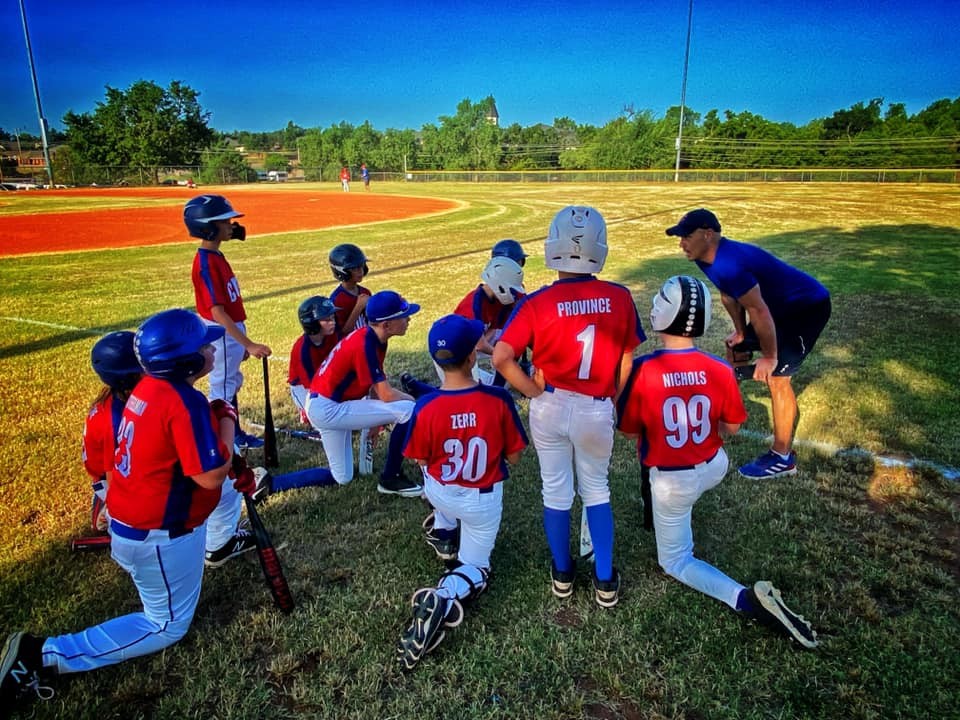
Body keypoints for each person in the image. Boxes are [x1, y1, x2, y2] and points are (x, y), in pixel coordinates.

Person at [0, 309, 258, 714]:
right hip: (156, 536)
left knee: (220, 501)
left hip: (136, 523)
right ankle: (43, 655)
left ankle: (219, 544)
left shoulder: (148, 388)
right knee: (166, 625)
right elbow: (211, 476)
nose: (211, 348)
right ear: (186, 362)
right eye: (203, 345)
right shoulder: (183, 401)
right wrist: (226, 418)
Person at [616, 275, 819, 648]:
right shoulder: (719, 368)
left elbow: (630, 433)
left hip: (672, 481)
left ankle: (744, 600)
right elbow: (732, 427)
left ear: (662, 313)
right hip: (713, 465)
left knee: (675, 561)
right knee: (683, 490)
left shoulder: (644, 370)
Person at [493, 206, 645, 608]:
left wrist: (532, 391)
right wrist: (613, 395)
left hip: (551, 406)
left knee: (556, 491)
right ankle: (605, 580)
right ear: (600, 248)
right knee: (597, 489)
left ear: (552, 247)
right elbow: (627, 356)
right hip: (596, 406)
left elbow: (501, 357)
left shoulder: (537, 303)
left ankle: (562, 573)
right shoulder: (619, 297)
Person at [396, 315, 528, 670]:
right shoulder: (498, 398)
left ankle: (442, 532)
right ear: (473, 358)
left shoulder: (425, 405)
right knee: (476, 567)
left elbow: (421, 456)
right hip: (480, 499)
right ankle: (443, 596)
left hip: (440, 491)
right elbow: (514, 457)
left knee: (435, 483)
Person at [665, 208, 831, 479]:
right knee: (736, 349)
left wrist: (770, 356)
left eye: (686, 236)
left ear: (708, 235)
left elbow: (759, 311)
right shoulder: (704, 256)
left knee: (778, 378)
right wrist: (741, 333)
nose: (681, 242)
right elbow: (729, 296)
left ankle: (782, 457)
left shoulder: (730, 262)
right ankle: (728, 419)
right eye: (679, 236)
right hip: (775, 308)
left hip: (805, 308)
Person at [186, 194, 270, 565]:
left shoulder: (215, 254)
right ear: (208, 227)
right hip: (221, 332)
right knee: (222, 389)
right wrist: (247, 342)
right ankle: (228, 440)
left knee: (230, 384)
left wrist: (232, 235)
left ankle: (232, 434)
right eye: (224, 221)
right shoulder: (205, 262)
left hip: (229, 331)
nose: (231, 224)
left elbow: (231, 235)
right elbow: (217, 309)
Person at [306, 290, 424, 496]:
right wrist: (418, 401)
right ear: (386, 325)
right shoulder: (366, 342)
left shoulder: (374, 337)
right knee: (409, 409)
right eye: (403, 315)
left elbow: (374, 385)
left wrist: (376, 422)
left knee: (342, 477)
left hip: (324, 404)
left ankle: (274, 483)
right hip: (328, 408)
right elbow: (387, 394)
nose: (408, 319)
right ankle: (391, 477)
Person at [401, 255, 525, 395]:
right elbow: (480, 344)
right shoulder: (474, 304)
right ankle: (424, 391)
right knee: (467, 392)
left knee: (503, 366)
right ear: (500, 285)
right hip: (452, 348)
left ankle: (497, 388)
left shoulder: (498, 300)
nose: (514, 295)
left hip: (473, 345)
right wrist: (501, 354)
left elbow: (499, 333)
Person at [83, 331, 144, 534]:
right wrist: (116, 510)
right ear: (129, 377)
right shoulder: (115, 420)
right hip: (107, 478)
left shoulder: (119, 396)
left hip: (109, 465)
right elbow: (114, 474)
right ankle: (105, 509)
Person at [329, 243, 372, 336]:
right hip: (349, 347)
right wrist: (358, 307)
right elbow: (342, 333)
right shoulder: (337, 300)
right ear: (341, 271)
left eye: (361, 266)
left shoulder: (365, 292)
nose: (360, 271)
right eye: (354, 269)